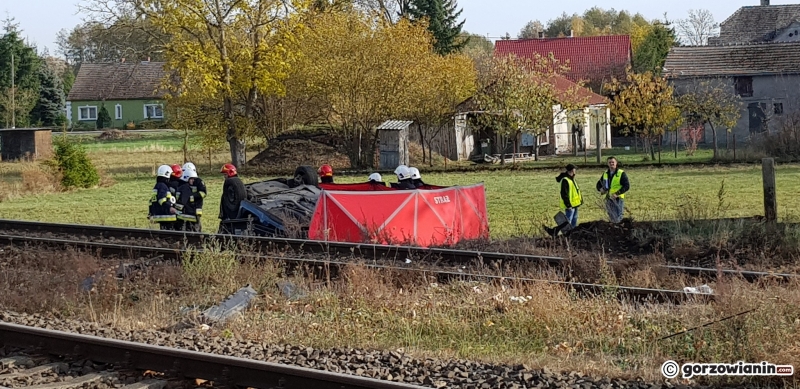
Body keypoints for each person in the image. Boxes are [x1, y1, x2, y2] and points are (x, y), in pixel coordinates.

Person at [596, 156, 630, 224]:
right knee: (611, 216)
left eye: (613, 162)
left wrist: (617, 194)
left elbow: (627, 186)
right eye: (609, 162)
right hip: (609, 198)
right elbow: (598, 184)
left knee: (618, 217)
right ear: (607, 164)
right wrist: (600, 189)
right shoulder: (605, 173)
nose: (611, 164)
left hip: (618, 199)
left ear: (616, 163)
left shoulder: (621, 173)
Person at [149, 165, 177, 230]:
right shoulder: (162, 186)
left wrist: (151, 212)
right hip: (166, 215)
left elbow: (151, 201)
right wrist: (170, 208)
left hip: (161, 215)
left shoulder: (157, 186)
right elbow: (161, 199)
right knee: (170, 234)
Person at [182, 162, 206, 231]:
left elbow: (203, 193)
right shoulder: (184, 181)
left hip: (196, 207)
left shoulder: (199, 182)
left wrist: (192, 197)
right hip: (186, 208)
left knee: (196, 225)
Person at [556, 164, 582, 228]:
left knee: (574, 220)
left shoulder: (571, 178)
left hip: (575, 204)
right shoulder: (565, 180)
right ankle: (566, 234)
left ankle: (572, 234)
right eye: (574, 169)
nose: (575, 170)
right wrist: (568, 205)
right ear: (572, 170)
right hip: (570, 205)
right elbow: (564, 193)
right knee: (568, 221)